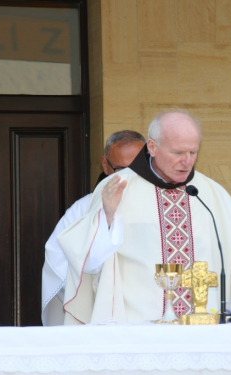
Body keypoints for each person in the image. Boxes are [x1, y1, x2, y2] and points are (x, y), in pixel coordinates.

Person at [56, 110, 231, 325]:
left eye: (193, 152)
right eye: (178, 152)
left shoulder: (210, 193)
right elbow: (89, 262)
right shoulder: (117, 188)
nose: (187, 161)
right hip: (136, 328)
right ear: (152, 147)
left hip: (201, 329)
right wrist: (106, 219)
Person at [41, 130, 146, 326]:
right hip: (103, 313)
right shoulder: (84, 209)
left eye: (139, 168)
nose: (132, 177)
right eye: (123, 170)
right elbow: (56, 257)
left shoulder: (160, 206)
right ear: (105, 165)